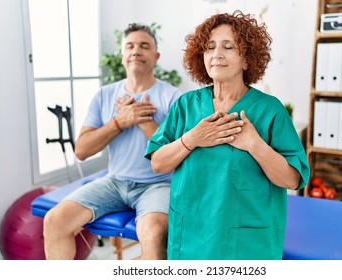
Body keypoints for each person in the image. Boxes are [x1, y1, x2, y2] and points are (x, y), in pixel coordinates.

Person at [145, 10, 310, 260]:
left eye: (228, 46)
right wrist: (192, 139)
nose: (217, 55)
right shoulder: (186, 105)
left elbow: (293, 179)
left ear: (247, 59)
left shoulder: (269, 110)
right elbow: (158, 162)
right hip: (190, 235)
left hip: (245, 244)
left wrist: (256, 145)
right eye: (209, 47)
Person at [43, 23, 182, 260]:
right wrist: (118, 122)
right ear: (122, 55)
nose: (136, 50)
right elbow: (82, 150)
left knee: (156, 233)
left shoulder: (173, 98)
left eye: (144, 46)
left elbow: (178, 154)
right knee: (54, 221)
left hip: (158, 184)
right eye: (130, 46)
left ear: (156, 56)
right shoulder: (104, 95)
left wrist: (142, 120)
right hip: (114, 182)